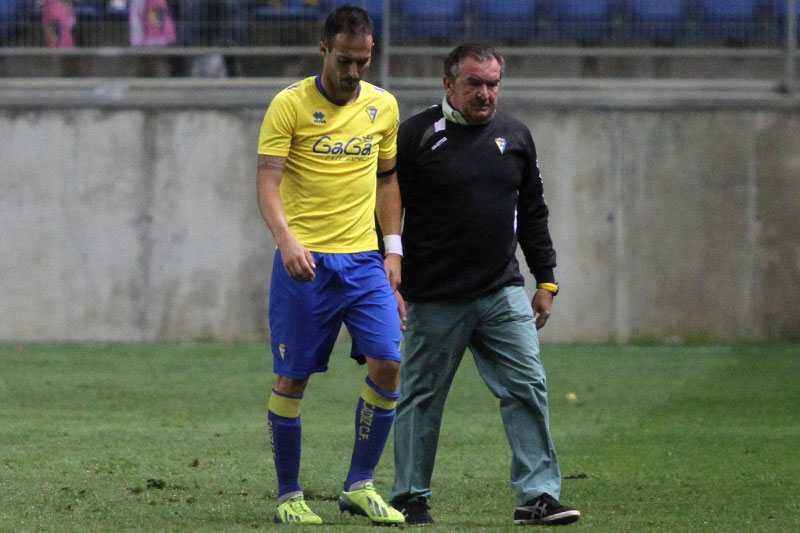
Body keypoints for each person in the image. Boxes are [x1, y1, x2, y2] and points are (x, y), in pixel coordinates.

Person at [389, 43, 581, 527]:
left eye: (493, 84)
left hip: (501, 292)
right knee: (421, 396)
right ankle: (410, 497)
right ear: (448, 83)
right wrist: (386, 276)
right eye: (474, 83)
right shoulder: (414, 136)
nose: (485, 93)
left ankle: (537, 496)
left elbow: (533, 213)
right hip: (434, 297)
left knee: (528, 385)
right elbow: (385, 213)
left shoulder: (516, 136)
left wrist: (547, 280)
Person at [256, 5, 405, 526]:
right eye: (346, 60)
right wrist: (287, 240)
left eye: (364, 60)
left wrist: (393, 249)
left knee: (389, 364)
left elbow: (388, 181)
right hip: (306, 263)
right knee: (292, 379)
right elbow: (268, 180)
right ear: (324, 50)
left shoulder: (384, 106)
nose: (355, 71)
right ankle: (288, 495)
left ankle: (359, 486)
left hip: (364, 262)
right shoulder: (289, 105)